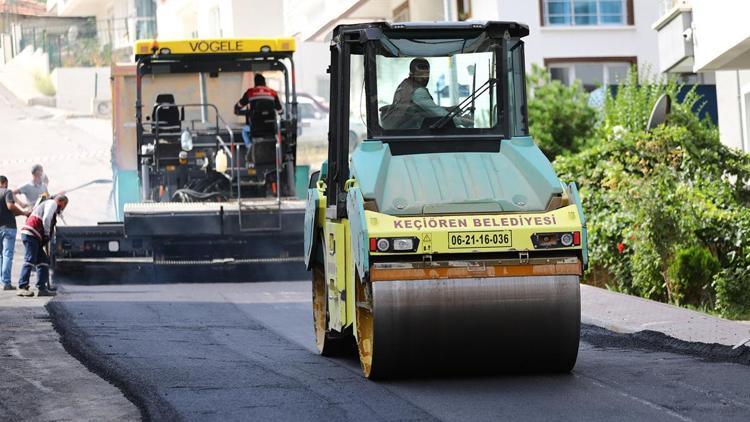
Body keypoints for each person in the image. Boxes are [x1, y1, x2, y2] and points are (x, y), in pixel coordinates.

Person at [381, 58, 470, 129]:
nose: (424, 78)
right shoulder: (418, 91)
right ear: (411, 74)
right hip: (408, 133)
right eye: (420, 75)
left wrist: (448, 109)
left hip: (399, 131)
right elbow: (437, 113)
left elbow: (420, 109)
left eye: (427, 75)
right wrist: (463, 121)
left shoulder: (405, 84)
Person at [16, 195, 67, 297]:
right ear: (61, 202)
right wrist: (47, 234)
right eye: (64, 206)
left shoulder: (50, 205)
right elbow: (46, 218)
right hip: (31, 233)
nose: (63, 209)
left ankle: (42, 288)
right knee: (30, 259)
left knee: (43, 261)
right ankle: (22, 287)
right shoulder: (52, 203)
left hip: (34, 236)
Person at [234, 74, 283, 147]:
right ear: (264, 82)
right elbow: (280, 111)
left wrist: (247, 112)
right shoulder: (273, 93)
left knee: (244, 131)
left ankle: (250, 147)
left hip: (255, 128)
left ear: (255, 83)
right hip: (271, 128)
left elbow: (237, 107)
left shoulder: (250, 92)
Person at [1, 176, 29, 291]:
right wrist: (24, 213)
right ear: (4, 183)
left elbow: (9, 211)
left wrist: (19, 212)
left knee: (0, 256)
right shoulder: (7, 192)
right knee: (7, 255)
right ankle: (6, 283)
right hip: (8, 228)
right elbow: (10, 206)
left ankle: (2, 282)